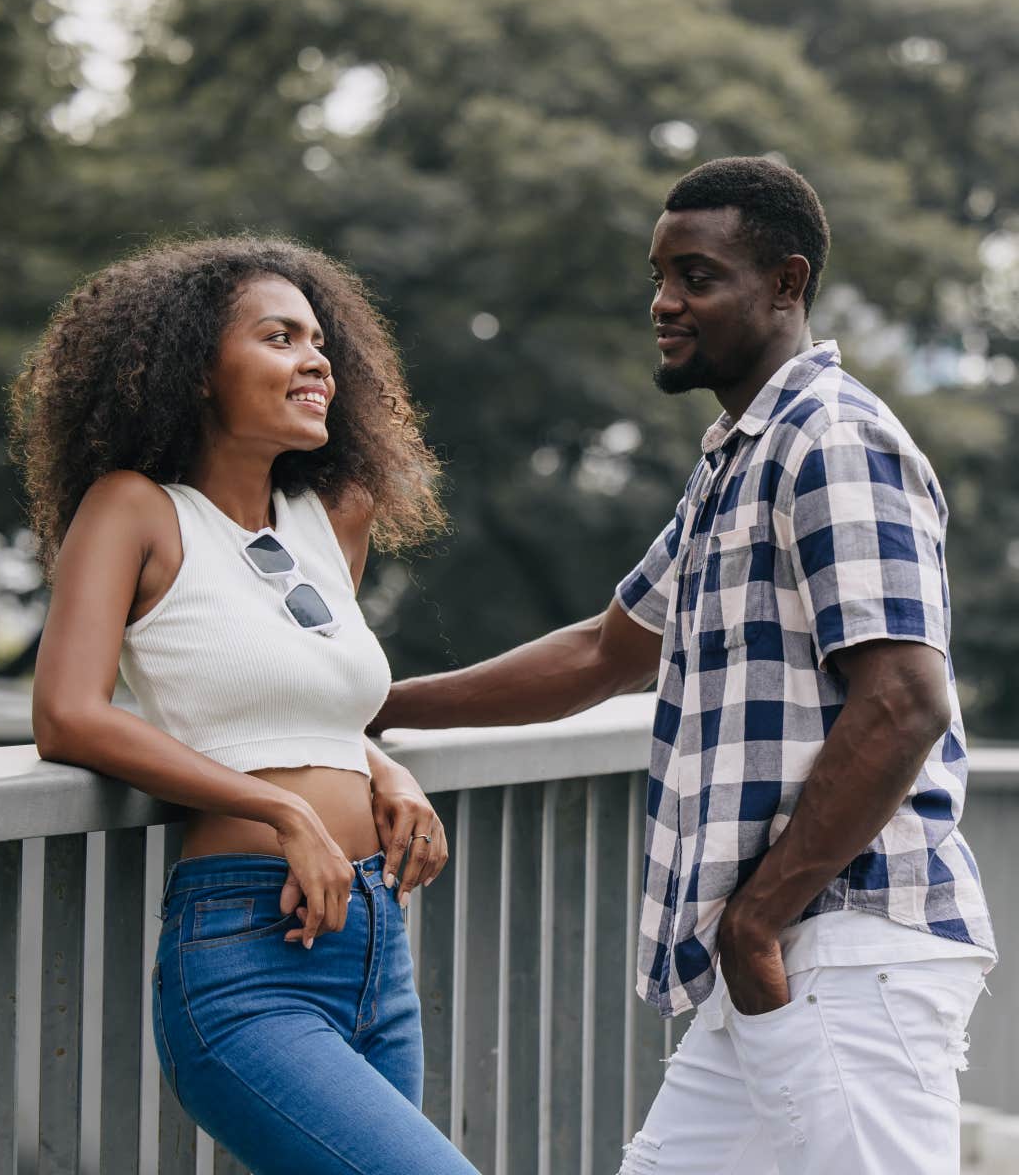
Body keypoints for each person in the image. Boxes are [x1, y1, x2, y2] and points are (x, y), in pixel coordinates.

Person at [369, 158, 997, 1174]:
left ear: (787, 284)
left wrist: (758, 918)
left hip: (842, 943)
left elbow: (904, 702)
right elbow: (602, 652)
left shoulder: (831, 439)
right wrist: (378, 705)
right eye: (658, 277)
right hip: (773, 955)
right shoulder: (737, 461)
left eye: (696, 277)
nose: (664, 303)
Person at [13, 237, 481, 1175]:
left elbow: (315, 701)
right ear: (193, 370)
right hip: (245, 960)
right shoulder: (136, 510)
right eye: (279, 337)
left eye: (320, 343)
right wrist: (280, 805)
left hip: (373, 941)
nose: (316, 362)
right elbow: (67, 714)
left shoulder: (327, 516)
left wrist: (380, 766)